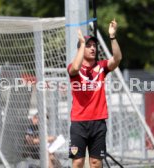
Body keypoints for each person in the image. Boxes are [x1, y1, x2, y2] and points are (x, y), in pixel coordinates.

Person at [67, 19, 122, 168]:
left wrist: (112, 36)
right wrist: (82, 44)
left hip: (98, 122)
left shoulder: (101, 67)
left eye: (94, 46)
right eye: (88, 46)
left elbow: (117, 59)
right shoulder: (73, 68)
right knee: (78, 162)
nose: (92, 48)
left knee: (96, 163)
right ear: (81, 49)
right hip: (79, 123)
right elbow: (76, 66)